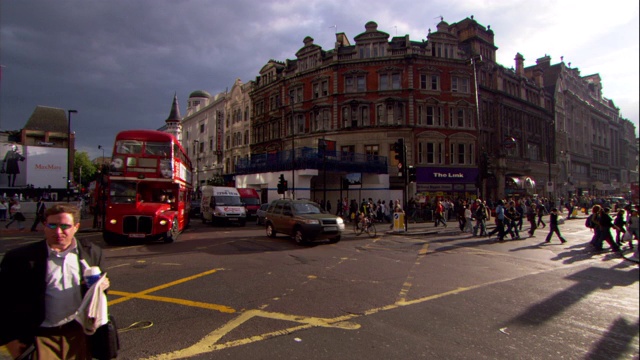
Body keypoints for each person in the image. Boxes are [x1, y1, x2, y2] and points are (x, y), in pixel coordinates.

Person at [0, 203, 110, 359]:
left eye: (65, 226)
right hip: (40, 336)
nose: (58, 232)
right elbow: (4, 300)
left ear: (76, 227)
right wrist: (9, 339)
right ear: (44, 225)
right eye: (52, 225)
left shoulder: (91, 253)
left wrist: (103, 287)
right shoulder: (19, 258)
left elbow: (97, 293)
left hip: (78, 333)